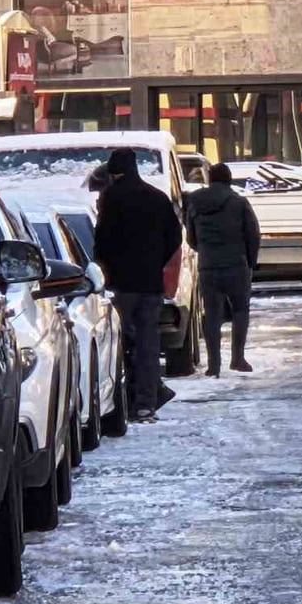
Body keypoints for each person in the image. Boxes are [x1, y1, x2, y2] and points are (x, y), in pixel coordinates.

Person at [93, 147, 182, 424]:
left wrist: (107, 265)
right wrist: (155, 260)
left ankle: (126, 398)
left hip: (121, 284)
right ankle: (146, 402)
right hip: (150, 283)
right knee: (148, 343)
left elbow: (103, 239)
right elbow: (174, 236)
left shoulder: (112, 198)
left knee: (120, 342)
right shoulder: (157, 197)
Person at [185, 163, 261, 377]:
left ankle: (213, 365)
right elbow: (253, 233)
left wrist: (205, 250)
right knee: (240, 311)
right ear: (229, 180)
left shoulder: (195, 203)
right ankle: (237, 358)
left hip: (208, 266)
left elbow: (190, 237)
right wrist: (250, 260)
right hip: (237, 265)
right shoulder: (239, 202)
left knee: (212, 315)